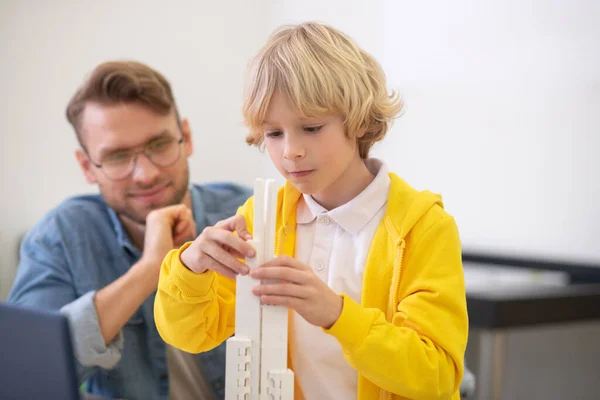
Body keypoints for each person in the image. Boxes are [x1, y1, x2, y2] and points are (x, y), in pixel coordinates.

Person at [154, 22, 469, 400]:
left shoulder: (424, 228)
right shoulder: (263, 219)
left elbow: (435, 376)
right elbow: (191, 334)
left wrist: (337, 315)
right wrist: (190, 267)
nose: (290, 151)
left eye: (311, 127)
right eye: (273, 133)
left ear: (360, 121)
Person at [8, 61, 251, 400]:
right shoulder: (60, 237)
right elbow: (21, 374)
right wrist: (151, 268)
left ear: (187, 138)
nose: (145, 174)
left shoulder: (247, 214)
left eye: (159, 144)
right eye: (119, 157)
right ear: (86, 166)